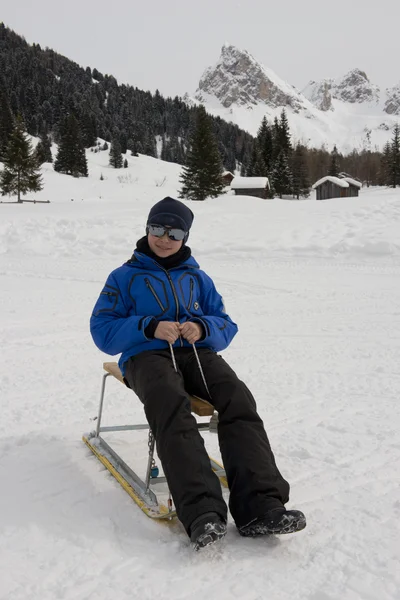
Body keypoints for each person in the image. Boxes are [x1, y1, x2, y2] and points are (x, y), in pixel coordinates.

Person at [90, 197, 306, 549]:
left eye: (173, 232)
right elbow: (102, 329)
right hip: (146, 357)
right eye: (158, 229)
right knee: (170, 402)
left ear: (185, 236)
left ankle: (260, 506)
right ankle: (202, 511)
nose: (164, 238)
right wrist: (148, 327)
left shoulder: (198, 278)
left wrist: (203, 328)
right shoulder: (123, 277)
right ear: (147, 229)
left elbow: (225, 323)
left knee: (237, 398)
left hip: (195, 353)